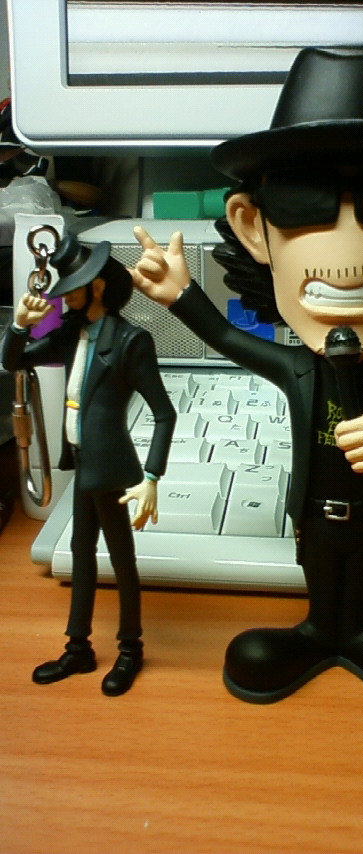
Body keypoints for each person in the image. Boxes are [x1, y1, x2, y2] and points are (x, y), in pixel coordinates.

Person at [131, 48, 363, 714]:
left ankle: (359, 633)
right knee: (322, 579)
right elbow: (230, 339)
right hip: (314, 516)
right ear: (253, 228)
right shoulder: (298, 366)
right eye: (301, 203)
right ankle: (322, 632)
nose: (345, 238)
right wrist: (180, 295)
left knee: (361, 580)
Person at [2, 234, 176, 696]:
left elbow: (164, 413)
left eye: (74, 287)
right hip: (82, 466)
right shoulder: (68, 334)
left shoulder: (130, 340)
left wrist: (152, 477)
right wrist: (19, 326)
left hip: (113, 472)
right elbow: (13, 362)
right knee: (81, 553)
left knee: (121, 560)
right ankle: (78, 647)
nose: (66, 296)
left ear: (98, 286)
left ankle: (130, 648)